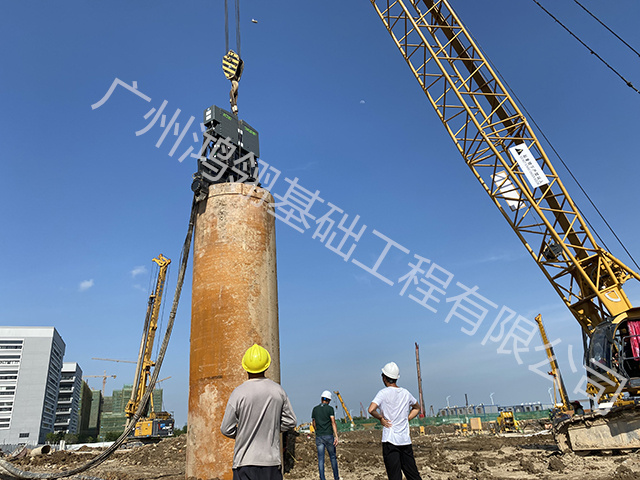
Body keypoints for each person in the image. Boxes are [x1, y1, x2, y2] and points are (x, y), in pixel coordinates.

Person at [221, 344, 297, 480]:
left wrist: (243, 433)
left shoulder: (238, 393)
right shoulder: (278, 391)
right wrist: (272, 429)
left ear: (245, 366)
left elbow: (226, 429)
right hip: (271, 463)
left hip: (244, 461)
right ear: (266, 366)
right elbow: (291, 421)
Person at [368, 362, 422, 480]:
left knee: (394, 476)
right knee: (413, 474)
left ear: (384, 378)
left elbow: (371, 409)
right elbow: (417, 408)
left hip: (390, 440)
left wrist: (381, 418)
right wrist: (406, 418)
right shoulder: (405, 393)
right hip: (405, 440)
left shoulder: (383, 393)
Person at [311, 390, 340, 480]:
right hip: (329, 436)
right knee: (332, 457)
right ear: (329, 400)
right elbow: (333, 422)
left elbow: (313, 423)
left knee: (320, 459)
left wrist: (317, 431)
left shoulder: (315, 409)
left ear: (321, 399)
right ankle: (336, 477)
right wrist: (336, 436)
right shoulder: (330, 409)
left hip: (319, 437)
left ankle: (322, 478)